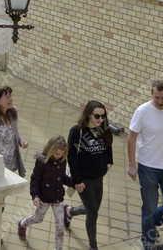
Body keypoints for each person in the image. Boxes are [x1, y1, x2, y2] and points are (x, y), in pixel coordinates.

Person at [127, 80, 163, 250]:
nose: (160, 101)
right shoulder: (142, 111)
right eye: (157, 97)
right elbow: (131, 137)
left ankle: (150, 225)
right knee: (150, 206)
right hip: (148, 167)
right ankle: (148, 239)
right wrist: (131, 165)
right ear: (152, 94)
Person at [67, 101, 113, 250]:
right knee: (92, 212)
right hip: (83, 178)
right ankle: (93, 246)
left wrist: (109, 161)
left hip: (99, 176)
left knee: (92, 208)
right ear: (88, 115)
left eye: (103, 116)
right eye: (97, 116)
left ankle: (70, 211)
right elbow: (72, 157)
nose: (101, 119)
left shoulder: (104, 128)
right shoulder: (77, 131)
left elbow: (108, 145)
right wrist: (77, 180)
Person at [17, 136, 76, 248]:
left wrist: (74, 183)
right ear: (50, 150)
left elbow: (62, 177)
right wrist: (35, 196)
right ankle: (23, 223)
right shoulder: (42, 161)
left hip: (58, 198)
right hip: (44, 197)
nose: (59, 156)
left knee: (60, 227)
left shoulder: (63, 160)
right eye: (56, 153)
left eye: (62, 153)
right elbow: (35, 179)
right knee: (38, 218)